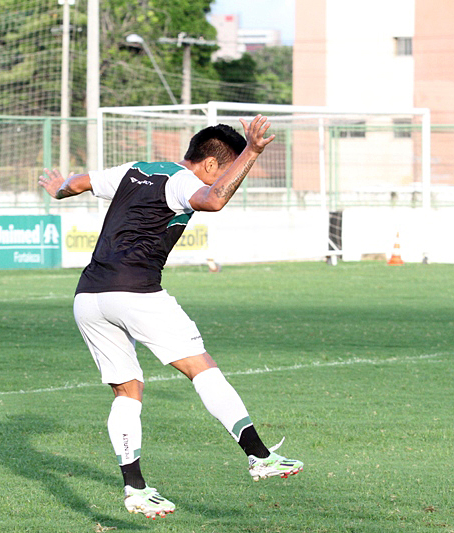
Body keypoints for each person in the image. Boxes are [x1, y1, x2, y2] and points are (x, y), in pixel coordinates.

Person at [38, 115, 303, 519]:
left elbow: (73, 185)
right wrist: (253, 150)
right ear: (211, 165)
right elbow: (213, 200)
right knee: (203, 370)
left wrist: (57, 189)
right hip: (136, 292)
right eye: (228, 171)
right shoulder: (182, 180)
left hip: (89, 295)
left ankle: (136, 489)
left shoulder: (135, 169)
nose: (225, 179)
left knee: (128, 393)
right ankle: (260, 457)